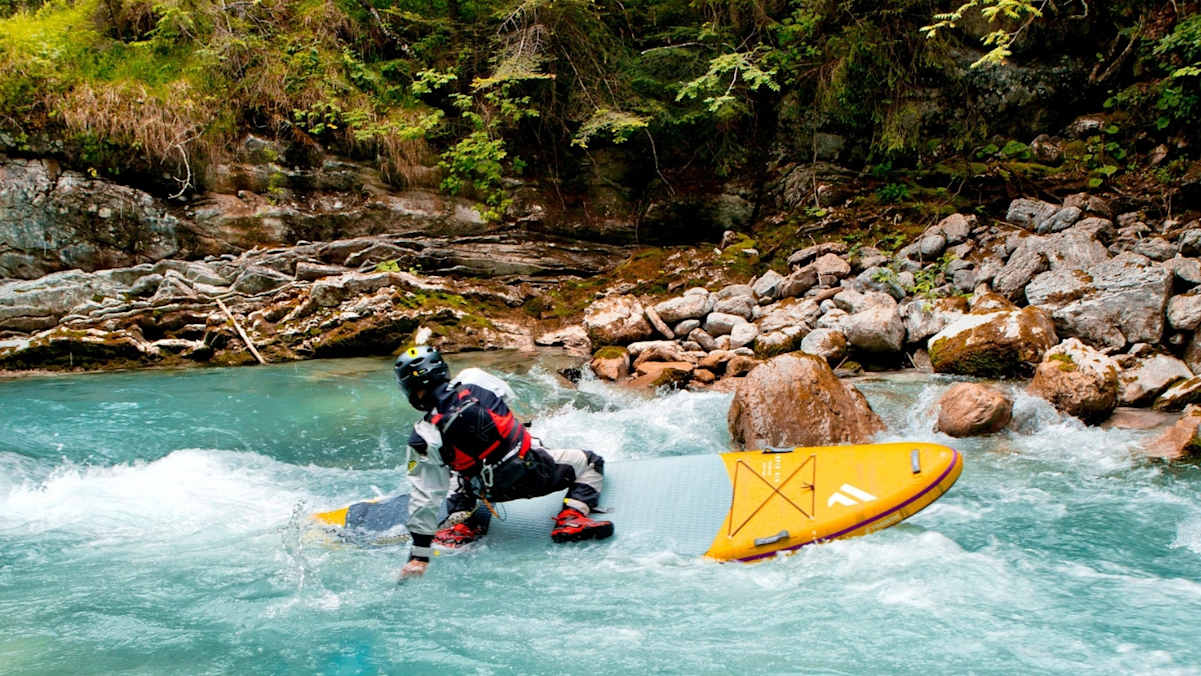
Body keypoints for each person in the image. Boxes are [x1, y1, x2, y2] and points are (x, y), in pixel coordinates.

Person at [394, 345, 614, 579]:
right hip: (535, 474)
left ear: (410, 390)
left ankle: (461, 526)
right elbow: (508, 398)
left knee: (451, 473)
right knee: (591, 461)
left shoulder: (422, 435)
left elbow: (424, 498)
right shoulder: (476, 379)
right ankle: (572, 516)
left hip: (486, 492)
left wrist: (418, 557)